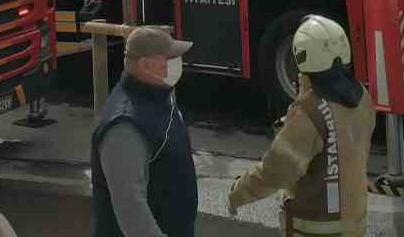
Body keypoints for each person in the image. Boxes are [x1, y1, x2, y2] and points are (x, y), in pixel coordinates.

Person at [227, 16, 376, 236]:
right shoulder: (362, 98)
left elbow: (277, 170)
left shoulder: (308, 111)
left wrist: (238, 193)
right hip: (354, 221)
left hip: (316, 227)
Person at [92, 26, 197, 237]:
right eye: (169, 57)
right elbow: (131, 207)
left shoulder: (158, 96)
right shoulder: (124, 125)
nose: (177, 63)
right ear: (145, 64)